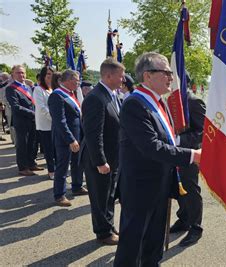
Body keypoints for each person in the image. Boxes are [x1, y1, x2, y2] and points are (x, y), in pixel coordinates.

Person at [114, 52, 202, 266]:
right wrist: (192, 155)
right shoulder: (135, 104)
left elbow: (168, 140)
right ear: (148, 76)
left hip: (159, 185)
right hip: (141, 188)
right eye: (166, 72)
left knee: (153, 245)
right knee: (132, 247)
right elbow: (151, 147)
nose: (171, 77)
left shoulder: (158, 102)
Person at [81, 58, 124, 246]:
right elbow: (93, 134)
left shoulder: (111, 94)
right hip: (98, 158)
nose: (123, 79)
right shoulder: (95, 98)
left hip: (112, 156)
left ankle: (108, 225)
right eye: (120, 76)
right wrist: (100, 161)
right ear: (108, 76)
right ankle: (103, 233)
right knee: (100, 197)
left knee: (109, 195)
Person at [169, 74, 206, 247]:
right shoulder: (169, 101)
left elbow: (202, 131)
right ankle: (183, 219)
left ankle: (195, 227)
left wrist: (178, 140)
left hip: (189, 153)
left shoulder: (194, 102)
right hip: (171, 153)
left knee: (190, 189)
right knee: (177, 187)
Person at [48, 70, 88, 207]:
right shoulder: (57, 96)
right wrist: (70, 139)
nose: (78, 83)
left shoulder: (71, 94)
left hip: (78, 135)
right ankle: (59, 195)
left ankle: (77, 186)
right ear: (68, 80)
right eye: (76, 81)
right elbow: (60, 121)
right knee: (63, 166)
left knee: (77, 163)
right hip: (65, 138)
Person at [5, 65, 43, 176]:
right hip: (22, 121)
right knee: (23, 145)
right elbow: (16, 107)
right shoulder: (11, 88)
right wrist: (34, 113)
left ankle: (31, 164)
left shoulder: (28, 87)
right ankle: (23, 168)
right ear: (13, 75)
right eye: (18, 73)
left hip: (33, 120)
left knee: (32, 143)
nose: (21, 75)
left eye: (23, 73)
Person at [33, 66, 56, 180]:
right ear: (43, 76)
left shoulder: (52, 89)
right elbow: (42, 108)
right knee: (49, 149)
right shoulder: (38, 89)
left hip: (54, 124)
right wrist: (54, 118)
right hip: (45, 124)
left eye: (52, 74)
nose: (50, 77)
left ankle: (56, 169)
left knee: (56, 148)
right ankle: (51, 171)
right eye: (48, 74)